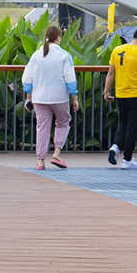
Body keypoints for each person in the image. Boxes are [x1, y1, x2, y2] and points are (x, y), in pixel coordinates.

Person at [22, 25, 79, 170]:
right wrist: (75, 97)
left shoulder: (36, 55)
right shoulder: (64, 55)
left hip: (39, 97)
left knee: (42, 128)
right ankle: (56, 154)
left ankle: (40, 161)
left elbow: (27, 78)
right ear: (58, 37)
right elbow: (70, 79)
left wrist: (29, 97)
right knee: (63, 123)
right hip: (59, 97)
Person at [103, 28, 137, 169]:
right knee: (133, 127)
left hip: (121, 94)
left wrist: (106, 91)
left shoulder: (117, 50)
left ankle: (115, 145)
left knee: (122, 123)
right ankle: (127, 159)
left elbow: (111, 73)